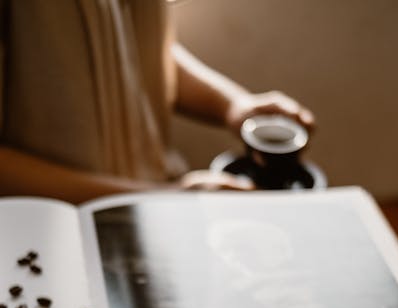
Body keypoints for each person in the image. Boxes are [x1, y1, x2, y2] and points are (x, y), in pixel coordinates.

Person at [0, 0, 314, 203]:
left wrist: (232, 104)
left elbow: (132, 51)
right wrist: (168, 200)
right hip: (52, 231)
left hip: (152, 199)